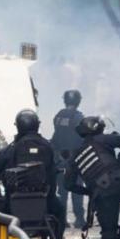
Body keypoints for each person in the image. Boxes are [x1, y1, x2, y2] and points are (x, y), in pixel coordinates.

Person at [0, 109, 65, 239]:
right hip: (45, 200)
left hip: (14, 202)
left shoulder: (11, 148)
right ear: (37, 125)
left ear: (18, 126)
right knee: (60, 211)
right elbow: (58, 164)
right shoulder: (47, 145)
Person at [52, 89, 86, 228]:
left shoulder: (58, 116)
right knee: (77, 189)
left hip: (60, 157)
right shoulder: (78, 117)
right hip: (75, 157)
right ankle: (79, 219)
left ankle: (62, 219)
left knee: (62, 190)